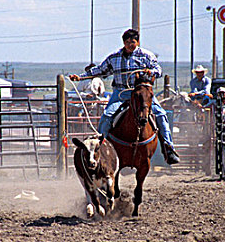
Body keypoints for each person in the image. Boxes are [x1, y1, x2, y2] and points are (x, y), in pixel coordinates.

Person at [69, 29, 180, 164]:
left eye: (132, 42)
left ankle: (169, 148)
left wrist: (150, 71)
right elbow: (99, 70)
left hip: (141, 93)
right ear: (124, 43)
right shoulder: (114, 57)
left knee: (161, 114)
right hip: (121, 93)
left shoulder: (146, 56)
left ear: (137, 42)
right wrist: (80, 77)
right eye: (127, 42)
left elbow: (158, 70)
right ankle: (100, 147)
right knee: (107, 116)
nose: (130, 44)